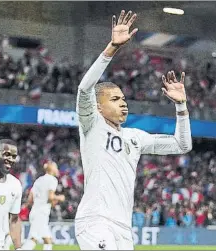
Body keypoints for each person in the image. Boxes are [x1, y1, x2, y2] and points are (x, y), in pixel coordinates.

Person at [74, 10, 192, 250]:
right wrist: (111, 49)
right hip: (95, 221)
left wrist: (181, 106)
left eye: (124, 99)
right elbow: (84, 89)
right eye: (115, 99)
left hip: (123, 228)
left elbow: (183, 145)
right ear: (98, 106)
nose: (123, 103)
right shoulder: (91, 125)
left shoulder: (135, 137)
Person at [22, 161, 65, 250]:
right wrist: (60, 198)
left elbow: (30, 199)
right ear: (51, 169)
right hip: (41, 214)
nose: (57, 169)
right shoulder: (52, 180)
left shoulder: (39, 180)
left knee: (48, 240)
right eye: (56, 167)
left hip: (35, 211)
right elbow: (50, 197)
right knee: (33, 239)